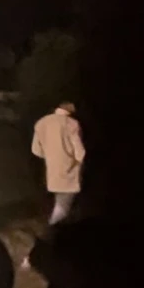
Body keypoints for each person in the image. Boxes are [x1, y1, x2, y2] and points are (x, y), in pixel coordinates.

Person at [29, 95, 85, 224]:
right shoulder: (71, 124)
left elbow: (36, 150)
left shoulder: (41, 123)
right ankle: (51, 231)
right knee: (63, 207)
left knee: (55, 203)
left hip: (51, 169)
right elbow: (79, 151)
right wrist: (79, 163)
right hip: (70, 169)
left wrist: (50, 157)